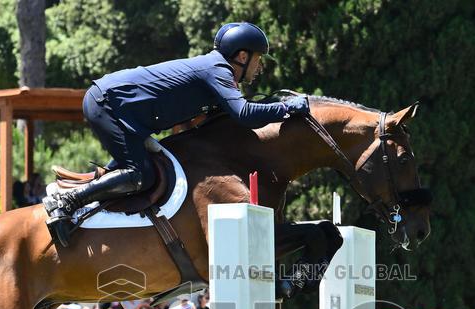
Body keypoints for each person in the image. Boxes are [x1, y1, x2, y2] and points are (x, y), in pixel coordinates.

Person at [45, 22, 310, 237]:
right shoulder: (218, 70)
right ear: (242, 56)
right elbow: (244, 114)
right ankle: (67, 203)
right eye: (258, 59)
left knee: (138, 174)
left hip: (121, 112)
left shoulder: (215, 71)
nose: (260, 67)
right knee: (140, 175)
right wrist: (286, 107)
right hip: (109, 105)